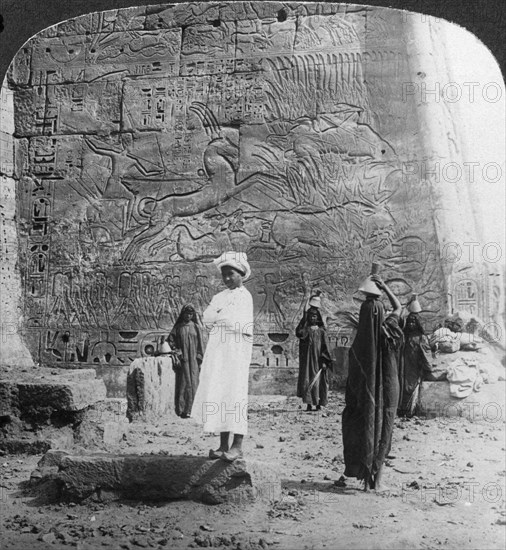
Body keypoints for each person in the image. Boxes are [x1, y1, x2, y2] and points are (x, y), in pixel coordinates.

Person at [341, 273, 403, 492]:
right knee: (384, 427)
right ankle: (377, 481)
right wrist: (385, 287)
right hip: (389, 388)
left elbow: (352, 382)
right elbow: (398, 308)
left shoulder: (360, 346)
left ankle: (365, 477)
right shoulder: (390, 331)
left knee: (365, 423)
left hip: (368, 392)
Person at [190, 251, 254, 462]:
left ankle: (237, 445)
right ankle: (222, 444)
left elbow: (240, 324)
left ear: (241, 274)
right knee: (220, 394)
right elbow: (208, 318)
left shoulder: (245, 297)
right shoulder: (219, 297)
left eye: (231, 274)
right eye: (224, 275)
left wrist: (222, 317)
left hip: (235, 353)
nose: (227, 279)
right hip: (218, 352)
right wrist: (221, 317)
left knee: (235, 396)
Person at [168, 304, 204, 418]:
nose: (188, 316)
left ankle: (195, 409)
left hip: (194, 360)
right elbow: (170, 341)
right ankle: (184, 410)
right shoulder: (178, 327)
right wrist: (177, 351)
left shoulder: (196, 327)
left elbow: (201, 343)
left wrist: (199, 356)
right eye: (186, 313)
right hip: (184, 360)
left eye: (190, 314)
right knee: (184, 383)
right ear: (183, 314)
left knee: (195, 383)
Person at [398, 297, 432, 417]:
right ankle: (403, 409)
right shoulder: (405, 337)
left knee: (411, 384)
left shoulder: (421, 338)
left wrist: (427, 367)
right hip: (405, 364)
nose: (411, 323)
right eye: (410, 321)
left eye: (414, 321)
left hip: (415, 366)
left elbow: (426, 354)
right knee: (403, 383)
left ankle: (410, 410)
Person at [296, 304, 332, 412]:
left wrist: (325, 361)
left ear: (318, 317)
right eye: (311, 316)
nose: (313, 318)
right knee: (307, 380)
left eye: (315, 316)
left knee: (318, 382)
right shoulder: (306, 330)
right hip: (307, 362)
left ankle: (318, 404)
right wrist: (303, 318)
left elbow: (326, 347)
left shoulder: (321, 331)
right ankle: (309, 404)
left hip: (318, 361)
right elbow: (298, 333)